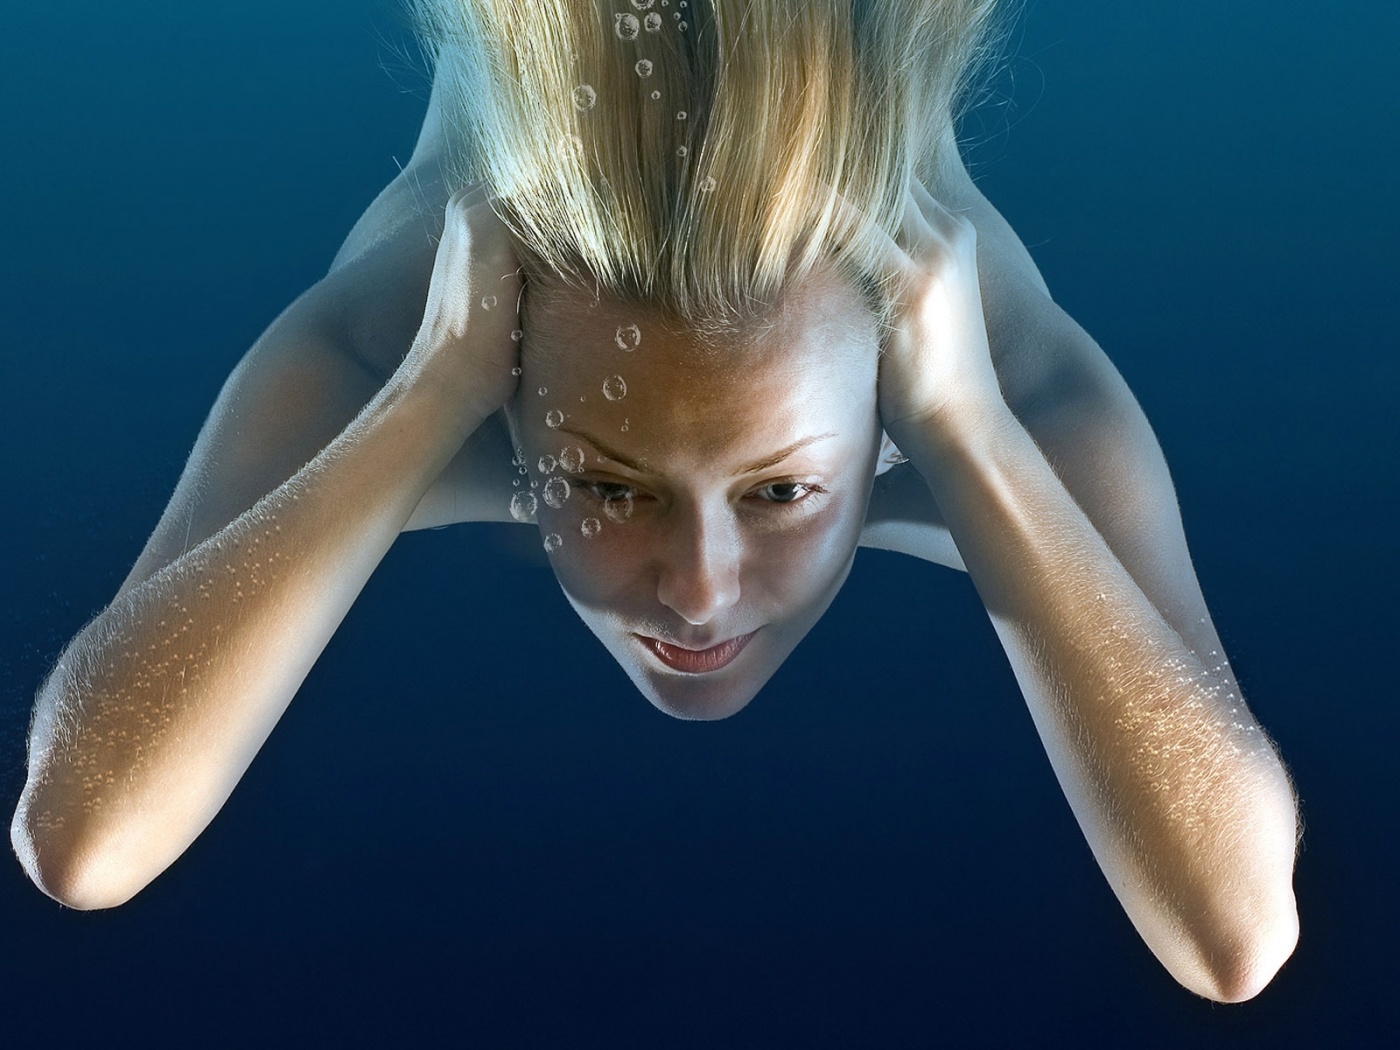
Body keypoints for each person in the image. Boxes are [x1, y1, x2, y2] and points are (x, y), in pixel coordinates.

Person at [10, 0, 1298, 1002]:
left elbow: (1237, 934)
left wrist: (974, 435)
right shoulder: (392, 340)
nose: (699, 591)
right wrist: (423, 392)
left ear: (893, 412)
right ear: (503, 387)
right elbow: (83, 840)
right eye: (603, 485)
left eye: (786, 488)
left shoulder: (999, 383)